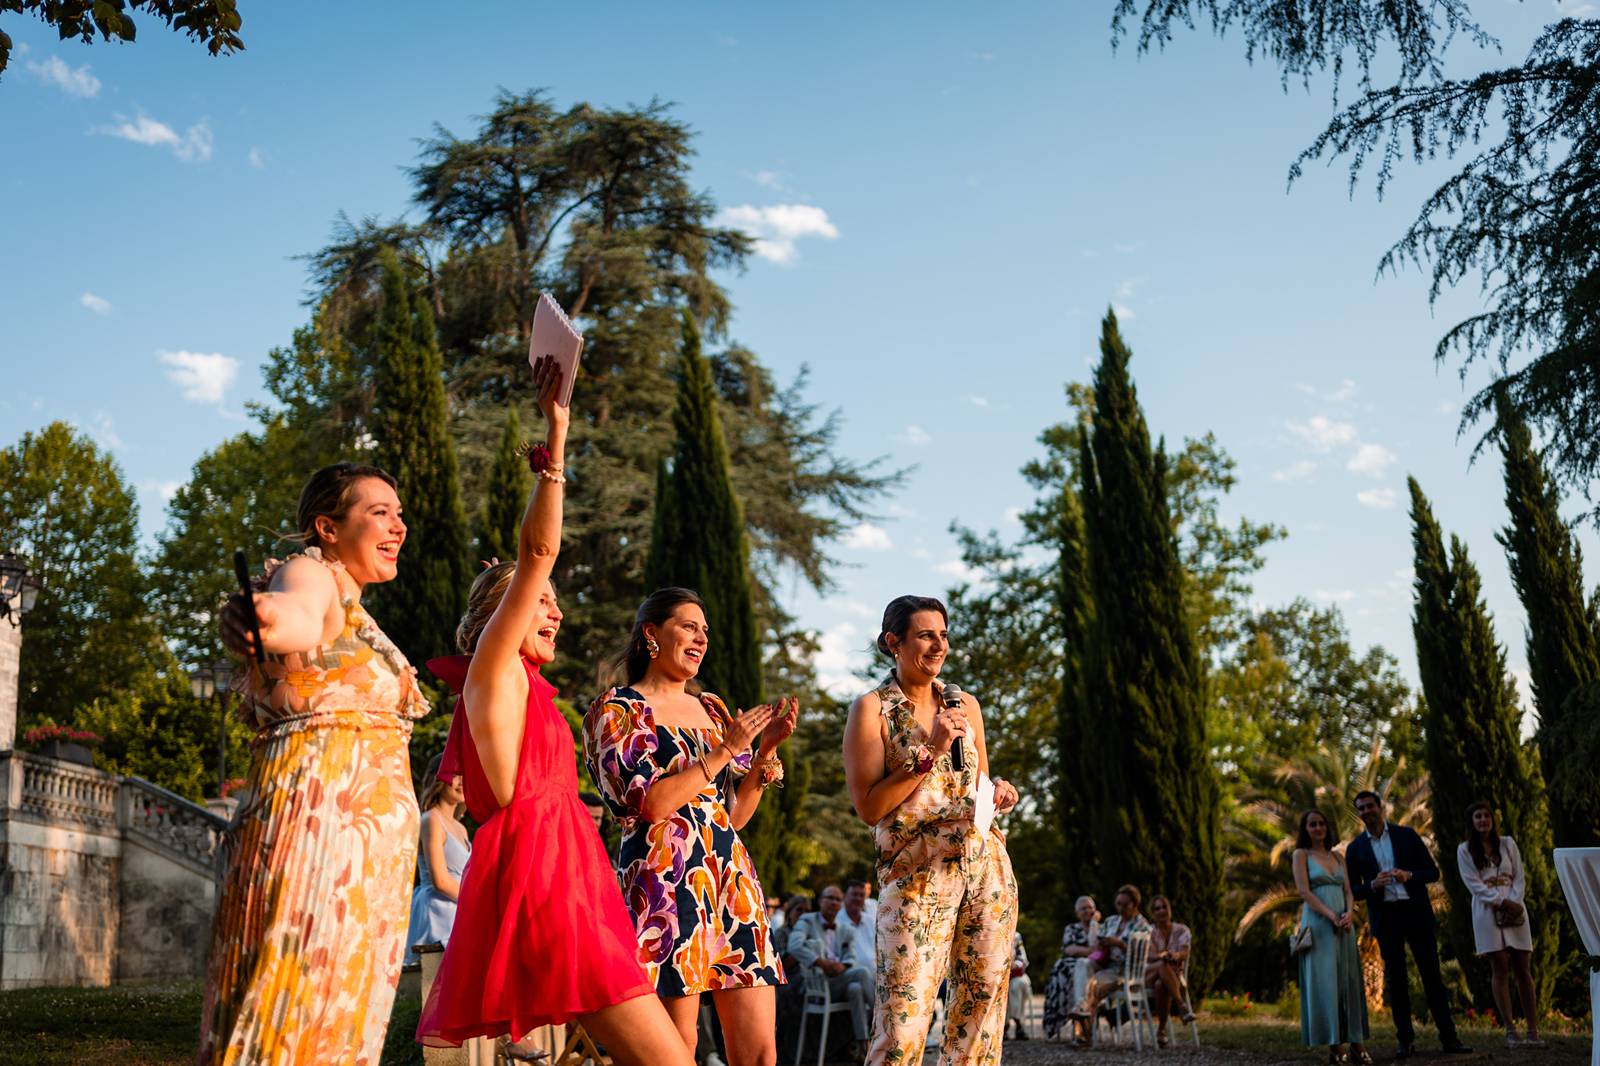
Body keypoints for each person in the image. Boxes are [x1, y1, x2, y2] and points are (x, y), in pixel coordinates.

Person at [415, 357, 693, 1066]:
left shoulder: (526, 685)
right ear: (500, 614)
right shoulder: (494, 666)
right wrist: (556, 439)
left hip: (565, 873)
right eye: (542, 600)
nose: (556, 610)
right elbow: (539, 549)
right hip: (544, 879)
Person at [201, 461, 431, 1065]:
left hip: (365, 860)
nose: (399, 525)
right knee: (293, 1010)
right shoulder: (309, 572)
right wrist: (263, 621)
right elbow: (292, 615)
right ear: (328, 528)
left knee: (338, 1015)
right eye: (379, 512)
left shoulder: (359, 611)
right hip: (318, 832)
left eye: (399, 513)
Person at [584, 587, 799, 1066]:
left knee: (761, 1052)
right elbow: (653, 804)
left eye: (705, 630)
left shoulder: (715, 711)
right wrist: (724, 751)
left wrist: (763, 752)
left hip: (731, 883)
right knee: (678, 1050)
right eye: (688, 626)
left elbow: (733, 817)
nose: (701, 637)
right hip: (664, 885)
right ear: (652, 634)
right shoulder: (617, 711)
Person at [842, 594, 1020, 1066]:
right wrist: (930, 750)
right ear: (893, 642)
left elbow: (973, 783)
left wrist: (997, 790)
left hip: (986, 870)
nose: (938, 644)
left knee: (980, 1012)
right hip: (916, 877)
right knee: (903, 1021)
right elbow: (868, 806)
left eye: (942, 634)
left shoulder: (965, 704)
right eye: (925, 634)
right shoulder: (871, 710)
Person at [1346, 790, 1472, 1059]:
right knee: (1396, 980)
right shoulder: (1355, 848)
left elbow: (1433, 872)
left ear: (1381, 807)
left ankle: (1450, 1039)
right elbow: (1353, 890)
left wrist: (1409, 875)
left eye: (1370, 806)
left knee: (1432, 977)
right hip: (1386, 918)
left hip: (1416, 914)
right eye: (1361, 809)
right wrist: (1372, 885)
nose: (1366, 811)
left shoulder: (1407, 835)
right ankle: (1405, 1041)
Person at [1456, 801, 1543, 1048]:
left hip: (1515, 907)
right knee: (1501, 966)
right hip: (1486, 909)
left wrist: (1514, 902)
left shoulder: (1507, 843)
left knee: (1523, 968)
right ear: (1471, 822)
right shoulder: (1464, 850)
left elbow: (1520, 876)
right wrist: (1500, 902)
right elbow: (1472, 883)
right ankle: (1511, 1030)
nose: (1483, 820)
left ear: (1492, 819)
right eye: (1478, 817)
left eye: (1486, 816)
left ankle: (1533, 1031)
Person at [1291, 809, 1370, 1064]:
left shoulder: (1338, 856)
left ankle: (1357, 1043)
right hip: (1318, 923)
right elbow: (1304, 891)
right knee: (1327, 982)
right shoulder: (1301, 855)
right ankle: (1335, 1047)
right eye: (1312, 824)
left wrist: (1347, 913)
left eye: (1321, 823)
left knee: (1349, 979)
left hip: (1344, 925)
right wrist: (1330, 916)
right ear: (1305, 829)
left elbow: (1348, 889)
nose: (1318, 828)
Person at [787, 885, 875, 1060]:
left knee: (856, 988)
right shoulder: (807, 920)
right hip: (818, 983)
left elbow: (850, 956)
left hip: (839, 980)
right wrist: (819, 962)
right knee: (863, 973)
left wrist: (843, 966)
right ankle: (879, 1016)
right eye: (830, 898)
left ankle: (863, 1045)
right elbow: (794, 946)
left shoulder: (845, 929)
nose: (834, 902)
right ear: (820, 901)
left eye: (837, 899)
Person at [404, 753, 471, 965]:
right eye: (455, 775)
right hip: (437, 912)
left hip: (459, 909)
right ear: (438, 778)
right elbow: (440, 881)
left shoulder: (461, 828)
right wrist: (474, 902)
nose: (461, 782)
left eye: (464, 775)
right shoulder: (430, 820)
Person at [1080, 885, 1150, 1022]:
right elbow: (1093, 945)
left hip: (1125, 972)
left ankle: (1083, 1028)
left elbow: (1142, 957)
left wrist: (1120, 944)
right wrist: (1101, 942)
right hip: (1106, 966)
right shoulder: (1111, 921)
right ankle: (1081, 1010)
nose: (1121, 908)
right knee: (1082, 964)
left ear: (1135, 904)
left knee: (1088, 985)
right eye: (1118, 904)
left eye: (1125, 904)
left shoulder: (1142, 926)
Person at [1042, 895, 1099, 1044]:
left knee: (1082, 977)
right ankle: (1079, 1028)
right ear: (1077, 913)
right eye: (1083, 908)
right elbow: (1070, 949)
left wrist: (1094, 925)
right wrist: (1090, 951)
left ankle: (1081, 1029)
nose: (1087, 911)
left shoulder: (1101, 927)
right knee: (1071, 978)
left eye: (1090, 907)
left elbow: (1099, 950)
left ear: (1095, 909)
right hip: (1067, 967)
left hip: (1093, 968)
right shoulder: (1071, 928)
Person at [1145, 896, 1196, 1047]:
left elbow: (1184, 953)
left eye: (1164, 907)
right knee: (1161, 964)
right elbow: (1151, 956)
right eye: (1157, 908)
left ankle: (1161, 1031)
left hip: (1173, 976)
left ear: (1170, 909)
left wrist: (1176, 955)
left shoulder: (1182, 930)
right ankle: (1181, 1006)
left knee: (1162, 985)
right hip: (1150, 973)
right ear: (1152, 913)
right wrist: (1164, 956)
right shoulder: (1150, 932)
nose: (1161, 911)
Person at [840, 878, 876, 973]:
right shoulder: (837, 921)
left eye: (862, 895)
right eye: (854, 894)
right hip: (850, 977)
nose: (858, 898)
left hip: (875, 975)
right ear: (844, 896)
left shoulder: (871, 921)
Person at [1005, 931, 1031, 1040]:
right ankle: (1003, 1025)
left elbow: (1023, 960)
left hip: (1015, 974)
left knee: (1017, 984)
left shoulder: (1015, 935)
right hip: (997, 976)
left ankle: (1018, 1023)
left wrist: (1014, 965)